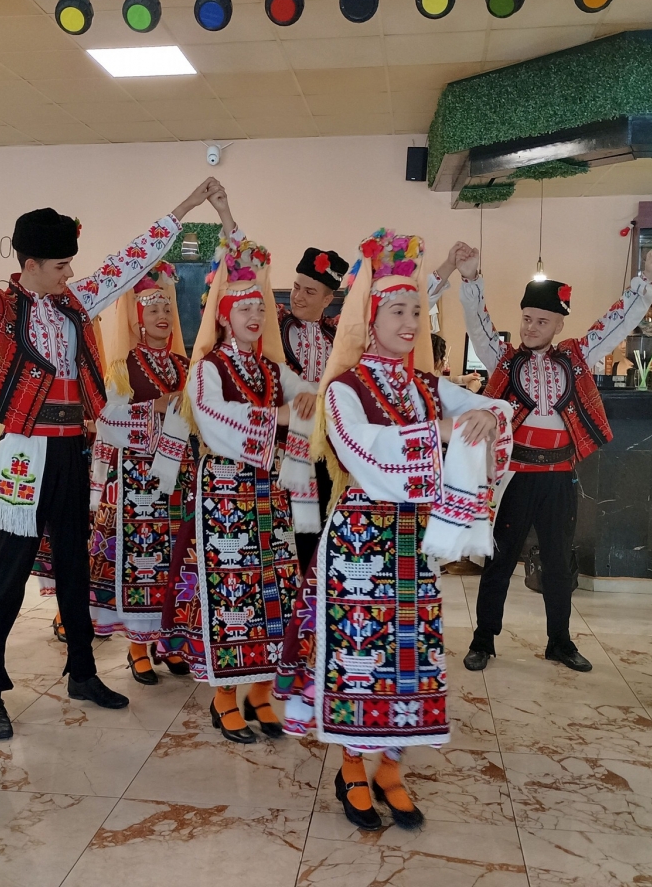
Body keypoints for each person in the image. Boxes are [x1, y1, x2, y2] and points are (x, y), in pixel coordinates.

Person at [0, 164, 219, 738]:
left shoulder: (74, 303)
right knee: (7, 572)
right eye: (60, 266)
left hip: (70, 450)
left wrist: (181, 210)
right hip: (24, 453)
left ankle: (82, 671)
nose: (71, 273)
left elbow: (126, 263)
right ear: (30, 264)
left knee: (76, 565)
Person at [275, 228, 512, 831]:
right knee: (360, 654)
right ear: (371, 320)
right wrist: (445, 433)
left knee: (409, 655)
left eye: (416, 311)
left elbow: (495, 409)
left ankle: (390, 765)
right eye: (398, 311)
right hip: (359, 543)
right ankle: (353, 766)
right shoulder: (343, 389)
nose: (409, 322)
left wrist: (485, 416)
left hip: (413, 544)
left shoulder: (425, 385)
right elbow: (366, 452)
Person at [453, 241, 652, 673]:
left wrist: (646, 279)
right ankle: (483, 640)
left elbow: (616, 323)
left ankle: (560, 642)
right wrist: (471, 278)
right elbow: (479, 323)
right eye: (527, 319)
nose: (531, 327)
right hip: (514, 477)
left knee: (558, 562)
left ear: (558, 324)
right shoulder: (503, 359)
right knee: (499, 560)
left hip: (559, 476)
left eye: (541, 321)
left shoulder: (576, 356)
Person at [161, 188, 317, 744]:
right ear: (225, 318)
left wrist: (309, 401)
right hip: (225, 493)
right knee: (230, 591)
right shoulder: (207, 368)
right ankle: (224, 697)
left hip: (269, 495)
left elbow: (315, 397)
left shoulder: (273, 370)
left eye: (260, 308)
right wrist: (283, 415)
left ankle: (260, 691)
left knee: (273, 589)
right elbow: (217, 421)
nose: (255, 316)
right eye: (244, 309)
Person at [81, 260, 196, 684]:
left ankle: (170, 641)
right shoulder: (122, 366)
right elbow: (107, 418)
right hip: (135, 480)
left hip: (178, 477)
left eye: (167, 308)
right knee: (140, 561)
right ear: (138, 318)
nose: (162, 316)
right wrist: (154, 408)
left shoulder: (186, 366)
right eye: (153, 310)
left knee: (176, 559)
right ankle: (137, 647)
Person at [277, 247, 349, 573]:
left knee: (320, 531)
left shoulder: (338, 335)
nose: (298, 297)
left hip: (325, 450)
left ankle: (313, 592)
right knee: (284, 533)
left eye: (309, 291)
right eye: (296, 287)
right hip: (281, 448)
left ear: (327, 298)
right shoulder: (275, 324)